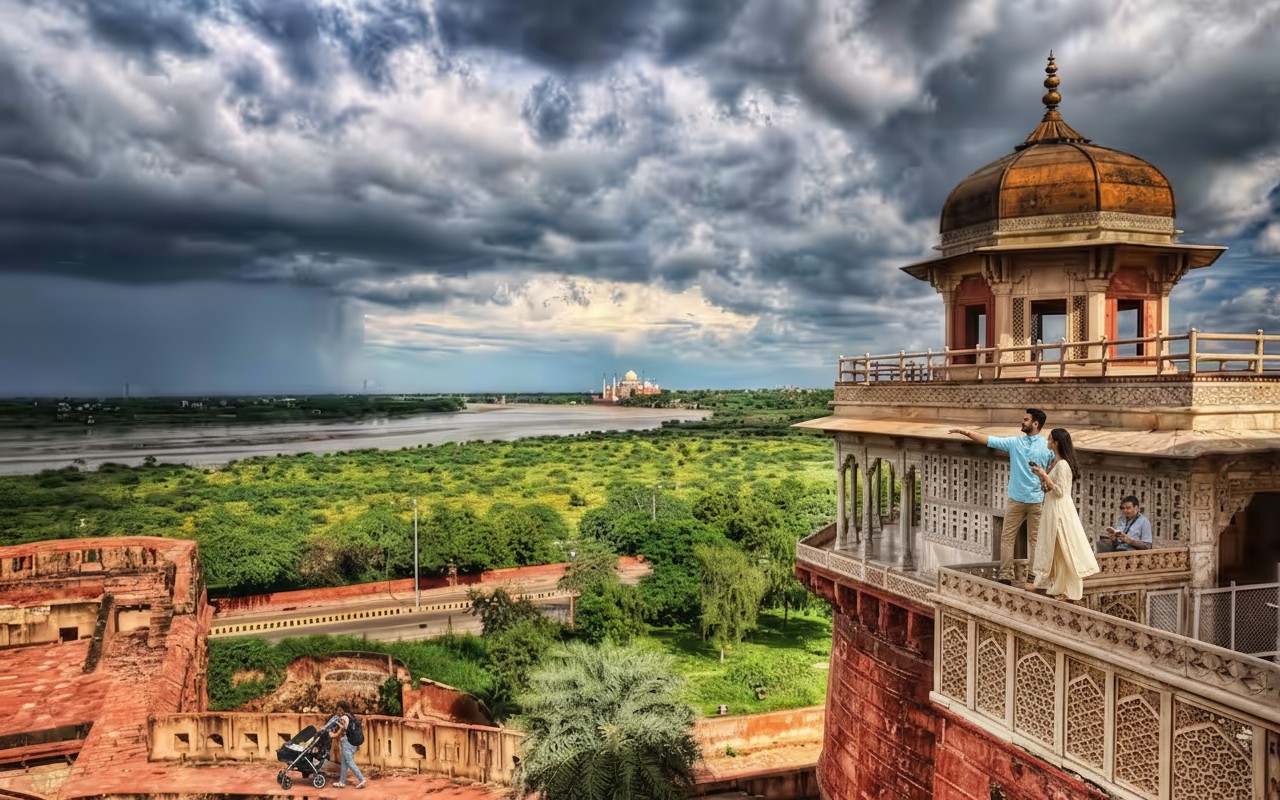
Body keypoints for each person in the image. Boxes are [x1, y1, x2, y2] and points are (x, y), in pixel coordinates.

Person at [949, 409, 1052, 584]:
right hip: (1036, 499)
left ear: (1035, 424)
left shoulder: (1015, 442)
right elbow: (1052, 466)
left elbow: (988, 440)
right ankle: (1033, 576)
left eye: (1026, 419)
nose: (1022, 422)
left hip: (1017, 499)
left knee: (1007, 538)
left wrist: (966, 432)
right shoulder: (1047, 446)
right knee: (1035, 540)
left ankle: (1005, 575)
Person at [1027, 428, 1099, 601]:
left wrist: (1044, 474)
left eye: (1049, 439)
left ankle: (1073, 593)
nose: (1047, 441)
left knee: (1067, 548)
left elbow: (1060, 492)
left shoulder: (1063, 465)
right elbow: (1048, 489)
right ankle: (1055, 586)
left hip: (1060, 510)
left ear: (1056, 443)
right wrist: (1042, 476)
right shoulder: (1056, 462)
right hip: (1052, 508)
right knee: (1057, 549)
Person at [331, 701, 366, 789]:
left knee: (350, 762)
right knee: (344, 763)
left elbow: (341, 730)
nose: (338, 712)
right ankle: (341, 782)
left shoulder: (344, 718)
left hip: (347, 742)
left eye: (340, 710)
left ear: (344, 709)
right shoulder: (352, 716)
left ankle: (362, 780)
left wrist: (333, 735)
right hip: (353, 743)